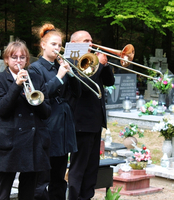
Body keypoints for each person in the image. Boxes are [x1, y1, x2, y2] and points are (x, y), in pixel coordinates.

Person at [0, 40, 51, 200]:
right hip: (10, 144)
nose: (18, 60)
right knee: (3, 192)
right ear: (6, 60)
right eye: (14, 57)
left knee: (28, 192)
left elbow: (46, 113)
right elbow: (2, 109)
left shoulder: (36, 79)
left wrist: (36, 99)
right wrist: (16, 85)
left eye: (22, 57)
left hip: (32, 144)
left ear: (27, 60)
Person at [30, 23, 81, 200]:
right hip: (47, 124)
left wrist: (71, 73)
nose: (57, 48)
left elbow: (78, 93)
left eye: (60, 45)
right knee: (44, 177)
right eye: (53, 44)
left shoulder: (61, 66)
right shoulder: (36, 68)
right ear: (43, 45)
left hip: (63, 125)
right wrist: (59, 76)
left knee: (60, 176)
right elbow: (40, 95)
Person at [67, 30, 115, 200]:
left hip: (95, 121)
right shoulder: (72, 60)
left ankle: (87, 197)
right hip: (80, 122)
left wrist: (106, 65)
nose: (91, 43)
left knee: (92, 167)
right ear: (74, 44)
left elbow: (109, 82)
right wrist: (99, 65)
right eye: (86, 40)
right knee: (79, 167)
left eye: (92, 40)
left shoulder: (93, 60)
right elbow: (83, 85)